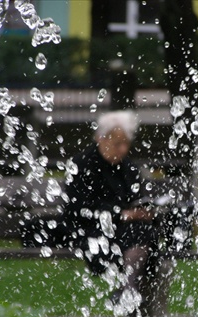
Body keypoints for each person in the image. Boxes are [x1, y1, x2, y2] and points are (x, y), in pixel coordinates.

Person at [62, 110, 156, 304]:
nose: (122, 149)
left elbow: (136, 197)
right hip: (91, 230)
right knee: (144, 240)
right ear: (100, 138)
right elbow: (78, 209)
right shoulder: (82, 165)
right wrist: (120, 214)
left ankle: (128, 293)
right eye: (117, 144)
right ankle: (129, 294)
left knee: (146, 234)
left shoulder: (127, 167)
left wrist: (142, 210)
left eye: (126, 144)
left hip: (125, 231)